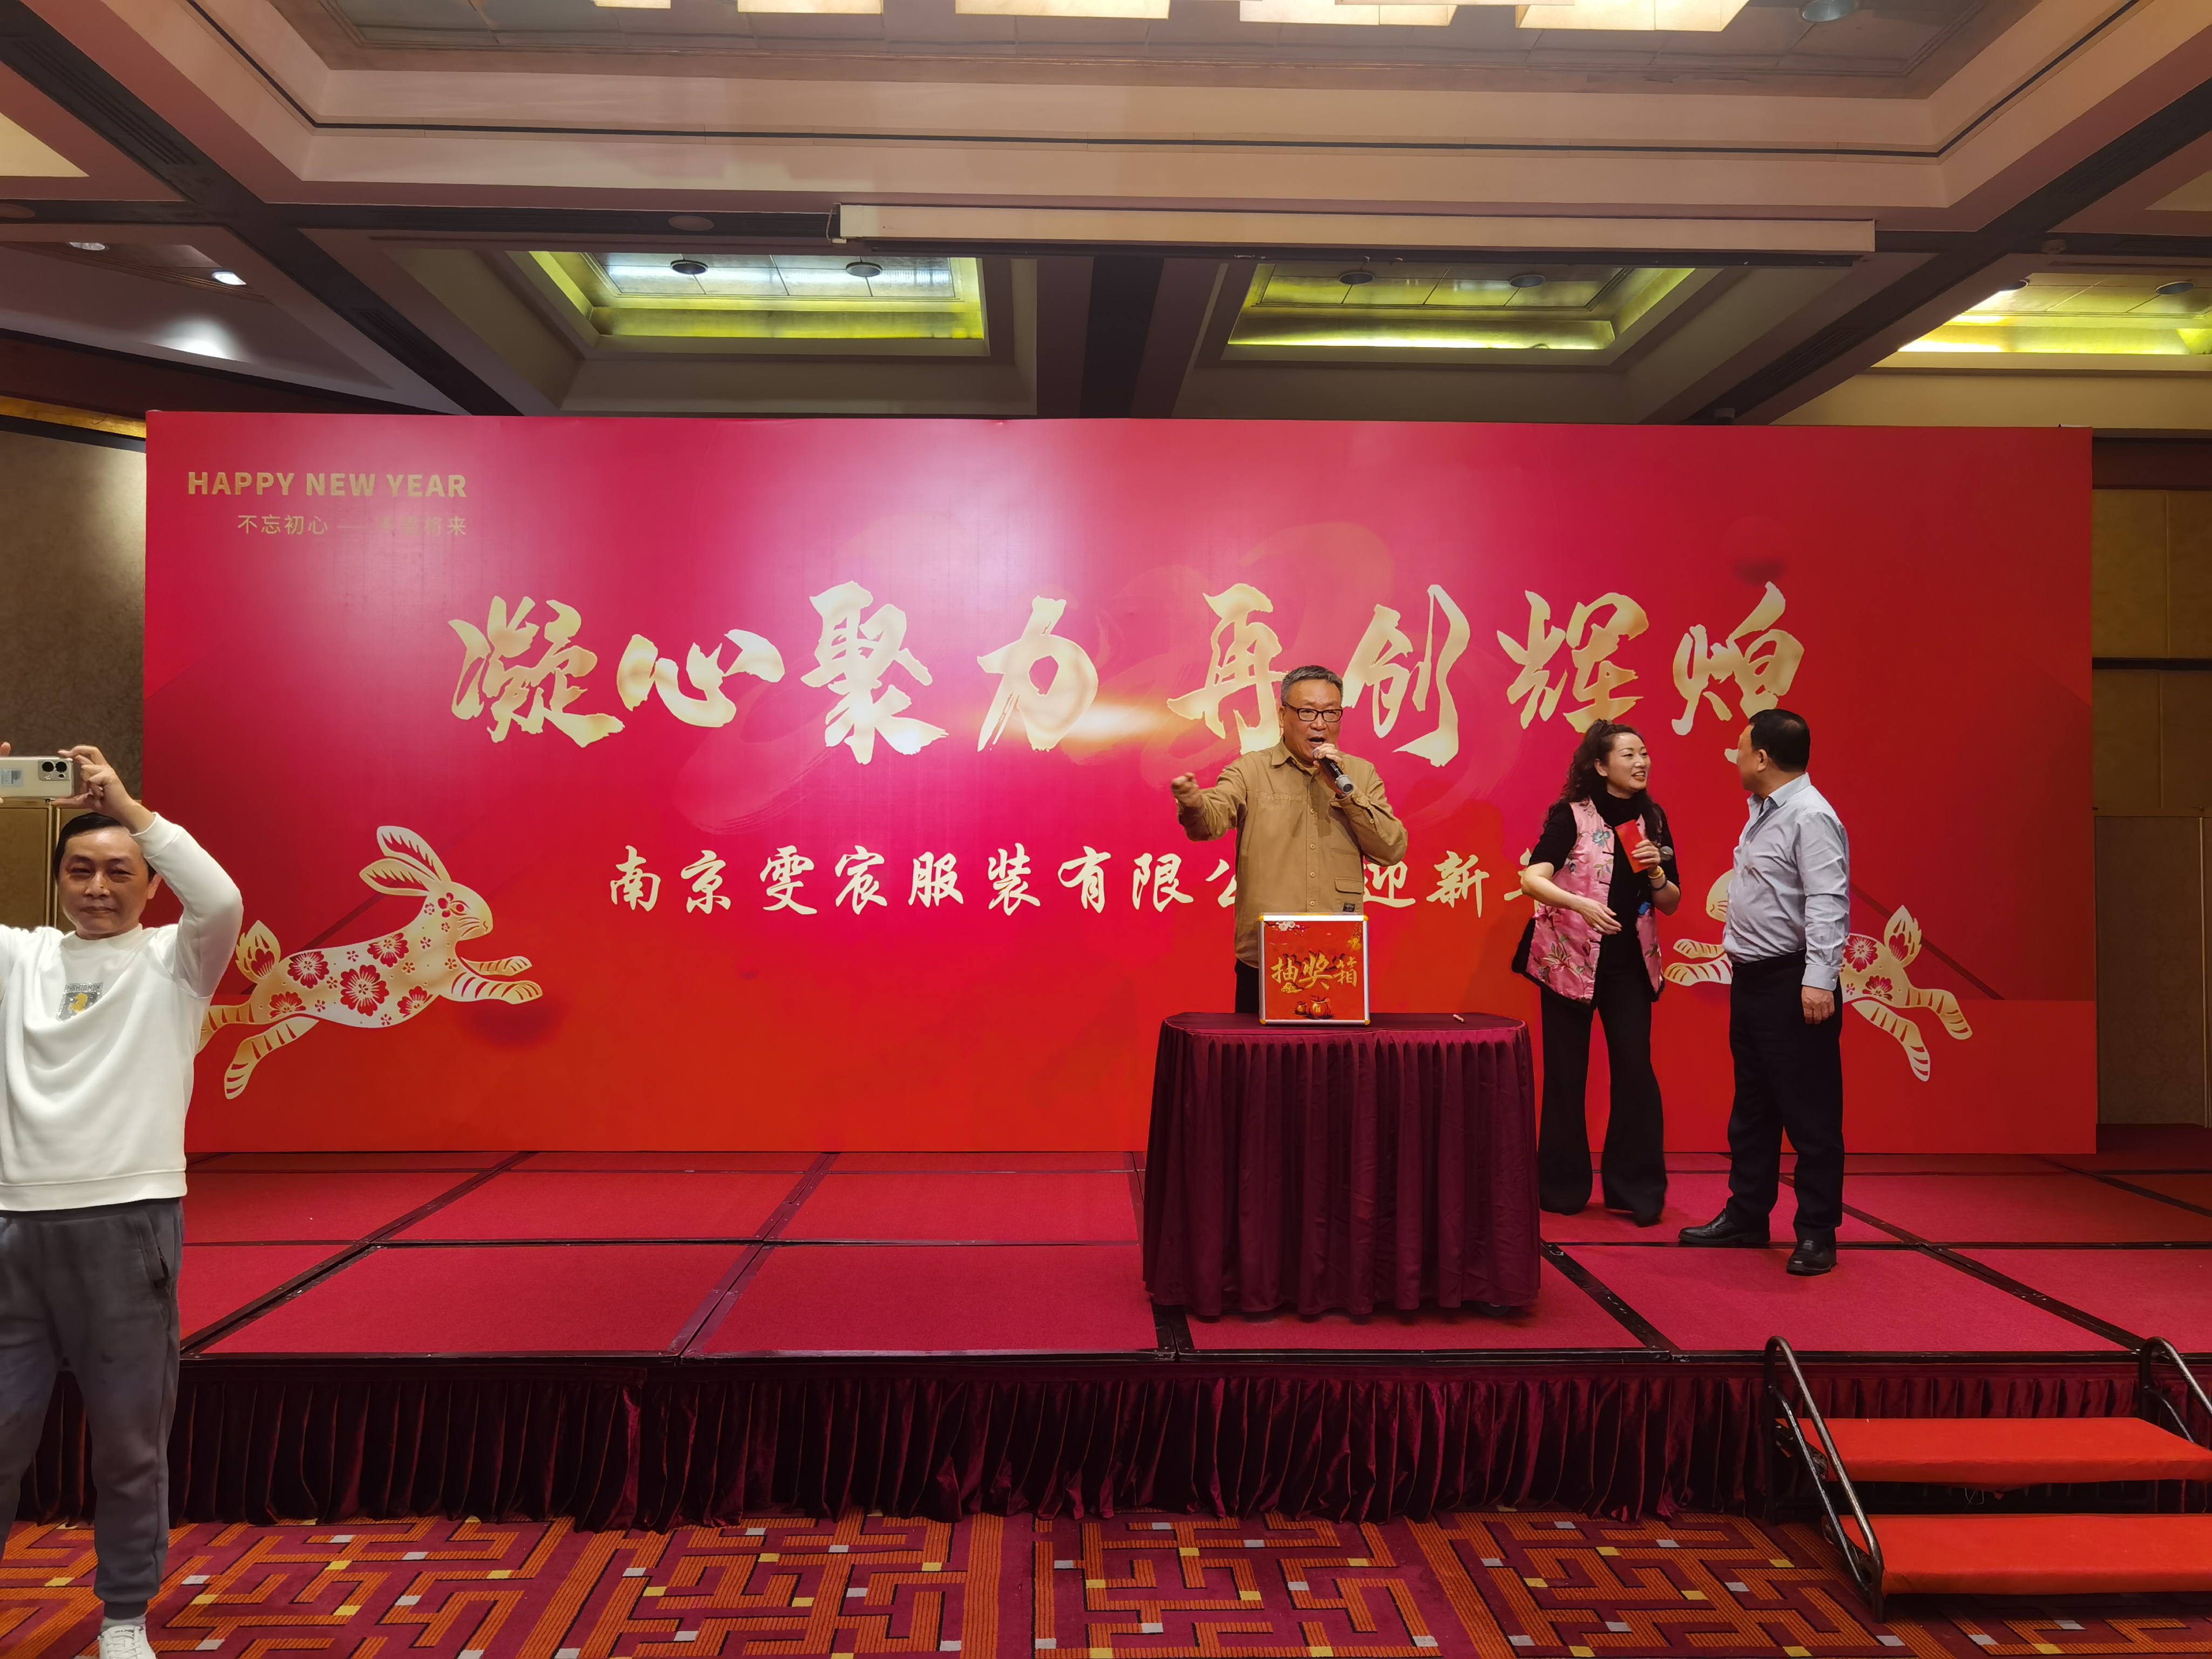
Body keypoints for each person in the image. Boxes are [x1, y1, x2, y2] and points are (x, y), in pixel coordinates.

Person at [0, 743, 243, 1659]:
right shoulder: (20, 958)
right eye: (81, 870)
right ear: (58, 878)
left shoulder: (175, 961)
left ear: (149, 885)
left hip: (128, 1224)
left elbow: (221, 898)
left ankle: (124, 1616)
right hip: (13, 1227)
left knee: (129, 1442)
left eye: (119, 871)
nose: (98, 887)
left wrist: (130, 807)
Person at [1678, 708, 1849, 1277]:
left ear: (1763, 757)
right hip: (1752, 979)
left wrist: (1819, 980)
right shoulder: (1762, 811)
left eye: (1741, 748)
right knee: (1752, 1109)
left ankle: (1817, 1232)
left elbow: (1827, 901)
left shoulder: (1810, 816)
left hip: (1793, 981)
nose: (1735, 758)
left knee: (1810, 1114)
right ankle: (1748, 1214)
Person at [1516, 722, 1681, 1224]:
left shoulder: (1653, 818)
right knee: (1567, 1075)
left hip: (1630, 964)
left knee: (1635, 1071)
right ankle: (1562, 1189)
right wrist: (1581, 905)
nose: (1641, 762)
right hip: (1569, 960)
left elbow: (1671, 902)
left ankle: (1636, 1191)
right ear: (1601, 765)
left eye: (1644, 752)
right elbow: (1532, 879)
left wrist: (1657, 872)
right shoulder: (1571, 816)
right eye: (1628, 754)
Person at [1170, 666, 1407, 1014]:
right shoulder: (1250, 771)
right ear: (1283, 716)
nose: (1320, 724)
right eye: (1308, 712)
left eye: (1331, 713)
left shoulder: (1359, 774)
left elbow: (1391, 848)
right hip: (1266, 957)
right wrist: (1194, 804)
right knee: (1260, 1050)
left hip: (1337, 959)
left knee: (1335, 1050)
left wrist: (1346, 793)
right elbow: (1210, 821)